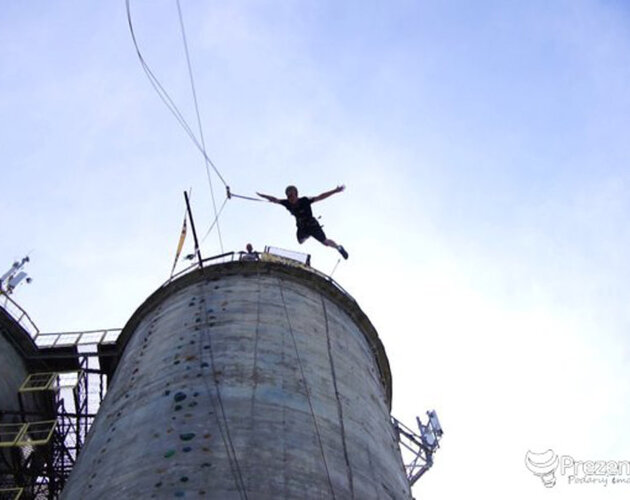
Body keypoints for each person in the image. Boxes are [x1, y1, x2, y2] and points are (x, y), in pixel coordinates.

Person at [256, 185, 349, 259]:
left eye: (291, 195)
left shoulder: (305, 200)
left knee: (325, 242)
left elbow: (320, 197)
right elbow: (274, 199)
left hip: (312, 225)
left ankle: (338, 247)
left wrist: (334, 191)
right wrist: (263, 196)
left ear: (296, 194)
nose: (290, 198)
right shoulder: (286, 203)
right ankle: (308, 235)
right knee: (300, 241)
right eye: (288, 196)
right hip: (302, 228)